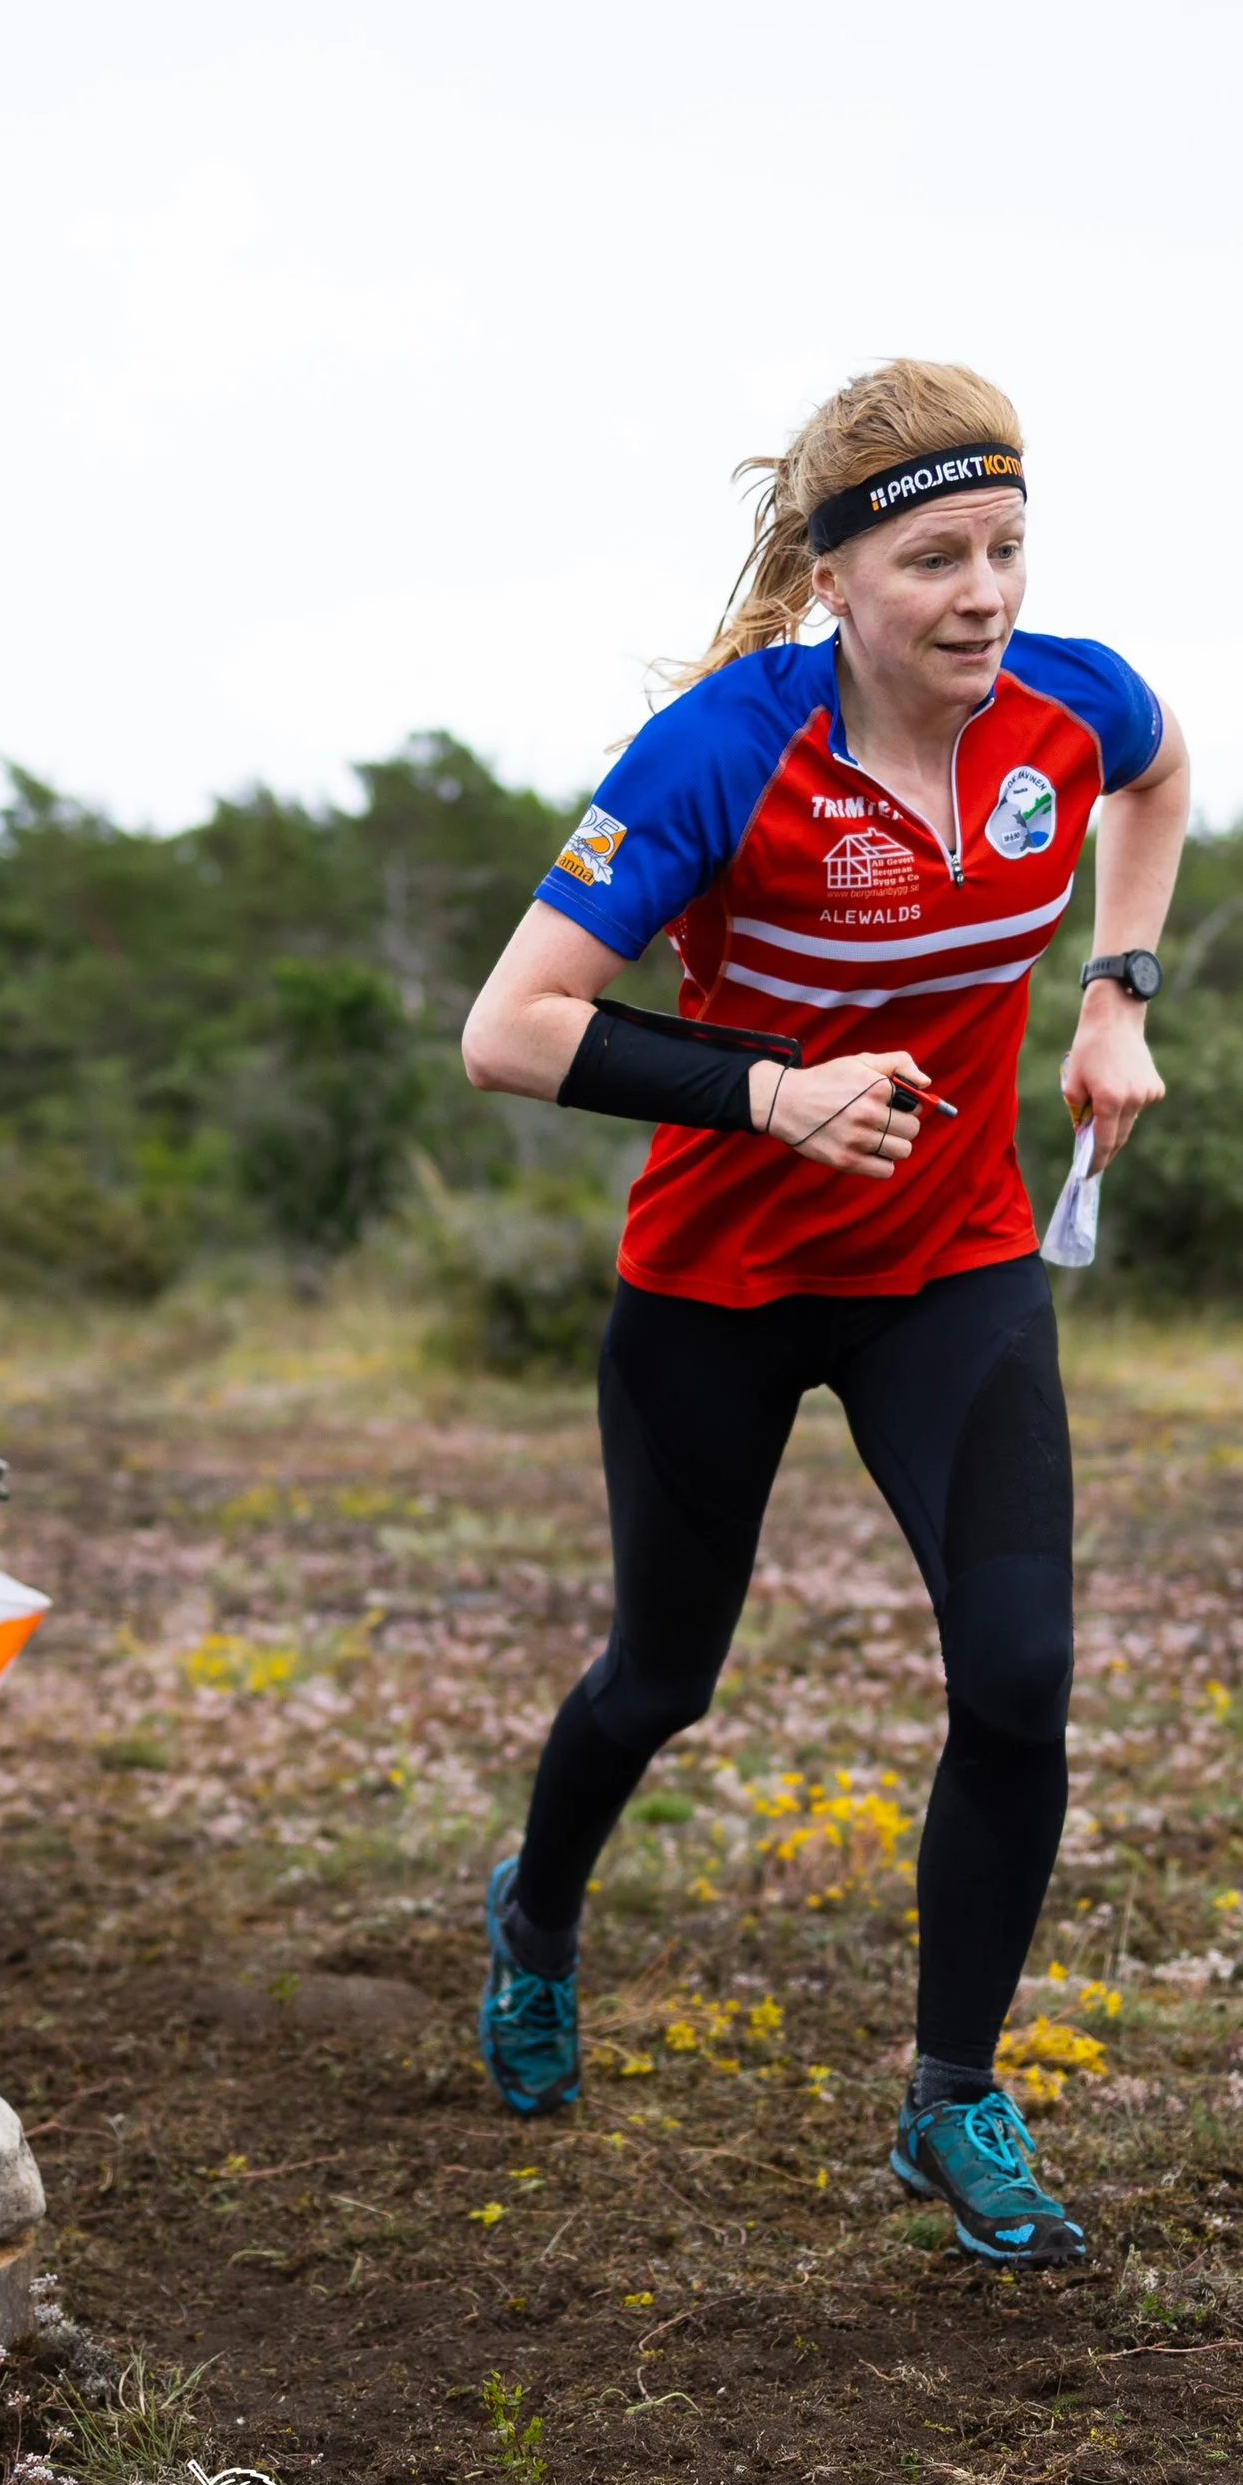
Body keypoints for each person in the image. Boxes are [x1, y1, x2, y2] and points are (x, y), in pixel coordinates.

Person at [458, 359, 1188, 2266]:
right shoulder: (719, 751)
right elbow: (508, 1028)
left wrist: (1118, 992)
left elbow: (1165, 765)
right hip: (718, 1284)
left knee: (1021, 1677)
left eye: (1009, 550)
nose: (985, 595)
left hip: (948, 1268)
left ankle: (952, 2098)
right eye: (938, 555)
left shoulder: (1067, 708)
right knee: (664, 1677)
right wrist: (768, 1087)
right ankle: (536, 1916)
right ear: (836, 574)